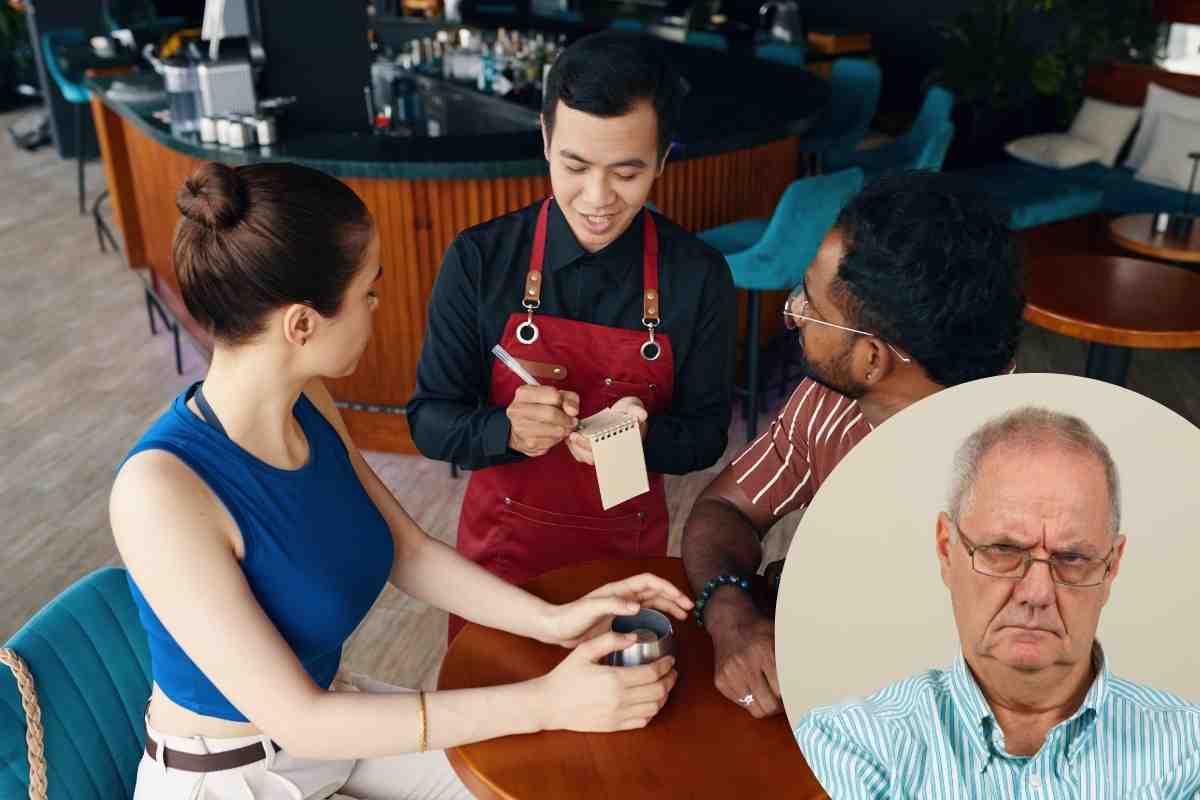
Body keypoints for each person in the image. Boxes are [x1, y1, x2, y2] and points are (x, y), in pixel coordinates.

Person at [110, 161, 691, 799]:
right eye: (369, 293)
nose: (379, 309)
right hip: (235, 778)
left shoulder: (309, 402)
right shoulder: (159, 493)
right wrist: (548, 700)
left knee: (543, 780)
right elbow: (298, 717)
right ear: (302, 324)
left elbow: (407, 551)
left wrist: (555, 621)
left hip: (333, 726)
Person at [406, 31, 736, 638]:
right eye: (575, 166)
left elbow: (706, 436)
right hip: (500, 570)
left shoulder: (698, 276)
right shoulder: (481, 259)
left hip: (626, 566)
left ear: (663, 160)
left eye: (628, 173)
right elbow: (429, 419)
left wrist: (644, 438)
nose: (598, 199)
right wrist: (504, 428)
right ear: (545, 138)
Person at [681, 172, 1025, 719]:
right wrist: (730, 614)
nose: (791, 312)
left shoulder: (1034, 491)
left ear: (872, 359)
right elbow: (727, 507)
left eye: (811, 305)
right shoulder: (832, 400)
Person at [794, 407, 1200, 797]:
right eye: (1003, 549)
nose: (1037, 593)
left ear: (1111, 566)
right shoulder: (848, 747)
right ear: (946, 548)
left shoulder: (1189, 753)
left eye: (1072, 558)